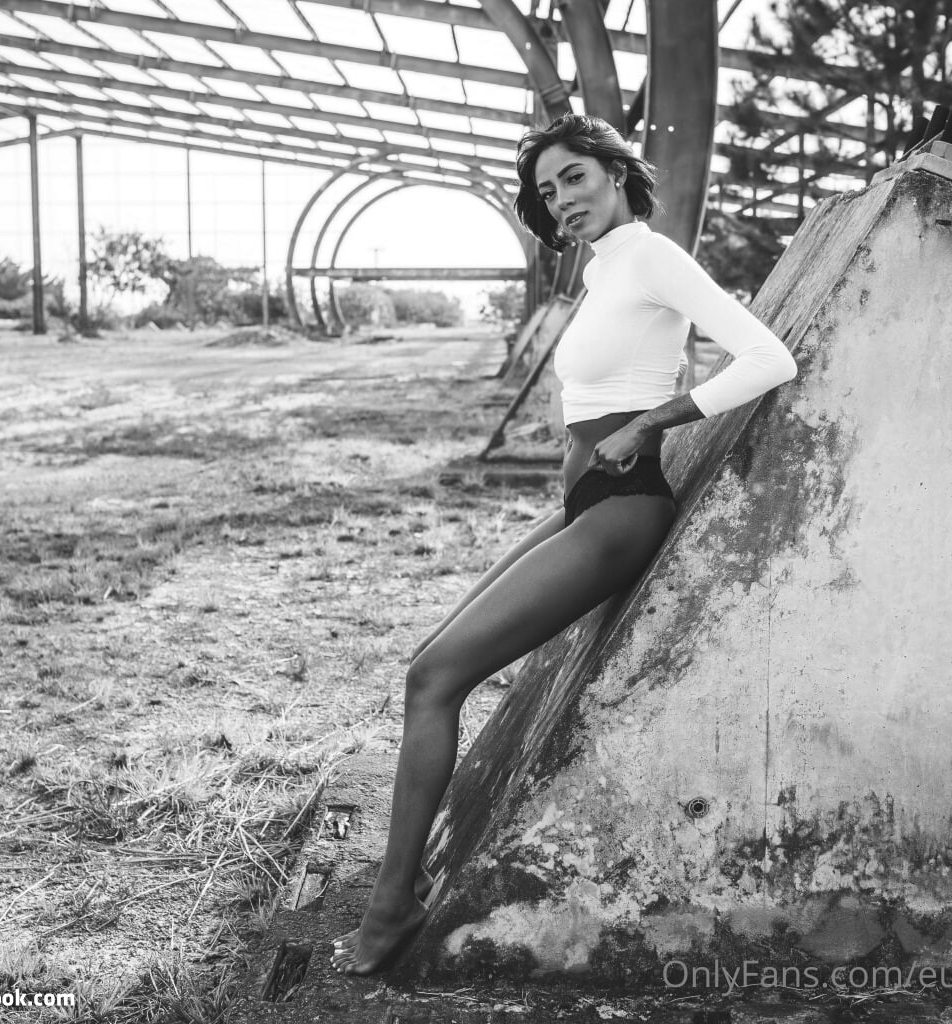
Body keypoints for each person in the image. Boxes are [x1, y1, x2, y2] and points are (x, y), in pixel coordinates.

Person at [330, 113, 796, 975]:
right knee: (428, 662)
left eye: (574, 177)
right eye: (547, 192)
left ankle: (391, 907)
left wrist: (653, 422)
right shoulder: (601, 268)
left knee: (433, 681)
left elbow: (768, 358)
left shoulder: (653, 256)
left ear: (615, 172)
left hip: (623, 510)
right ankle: (404, 881)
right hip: (585, 502)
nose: (562, 200)